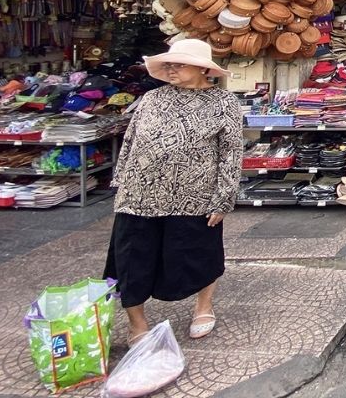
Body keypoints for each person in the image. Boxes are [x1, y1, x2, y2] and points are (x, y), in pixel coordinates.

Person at [103, 38, 243, 345]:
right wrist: (121, 181)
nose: (171, 69)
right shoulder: (152, 98)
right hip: (139, 194)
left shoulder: (224, 103)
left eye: (178, 63)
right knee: (131, 258)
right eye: (168, 64)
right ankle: (137, 324)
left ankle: (203, 307)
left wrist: (223, 197)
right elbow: (130, 141)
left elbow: (231, 152)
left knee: (200, 253)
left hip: (195, 194)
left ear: (202, 69)